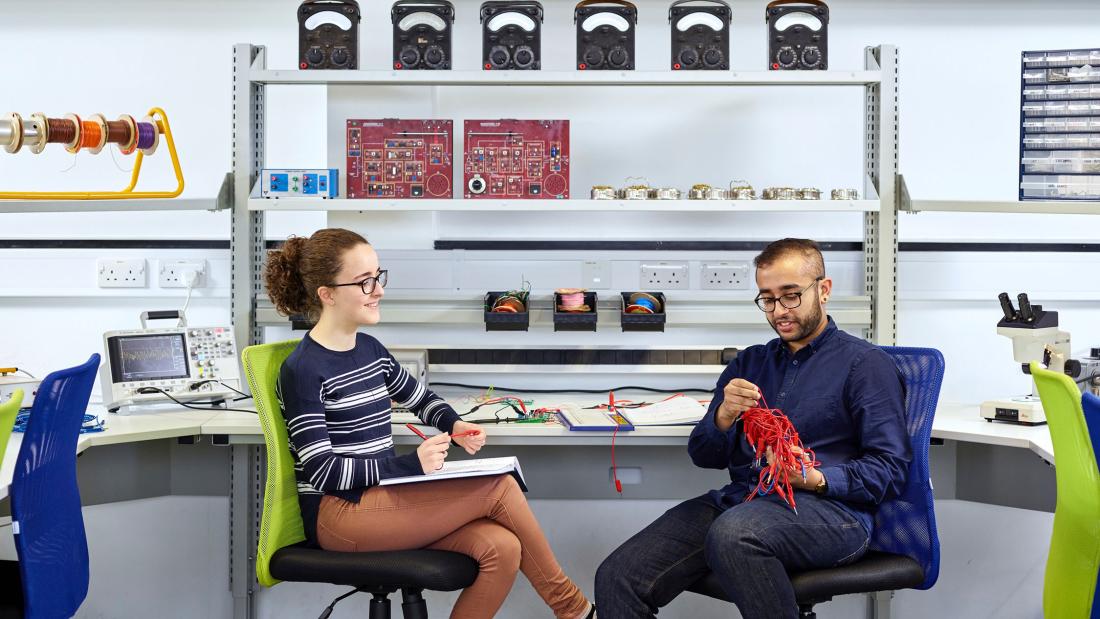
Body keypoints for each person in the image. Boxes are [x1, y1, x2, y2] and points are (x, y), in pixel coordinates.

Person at [264, 228, 594, 619]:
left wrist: (454, 425)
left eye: (378, 276)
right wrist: (409, 465)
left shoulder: (369, 349)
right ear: (327, 293)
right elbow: (323, 472)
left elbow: (419, 398)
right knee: (500, 488)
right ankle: (574, 610)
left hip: (380, 498)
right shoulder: (304, 369)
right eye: (364, 281)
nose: (379, 290)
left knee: (502, 548)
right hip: (339, 515)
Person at [595, 238, 911, 619]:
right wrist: (723, 416)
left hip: (834, 513)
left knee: (734, 535)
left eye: (791, 296)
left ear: (823, 291)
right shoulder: (749, 364)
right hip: (744, 501)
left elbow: (890, 471)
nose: (779, 311)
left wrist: (811, 478)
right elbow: (704, 455)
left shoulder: (865, 365)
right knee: (617, 577)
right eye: (768, 299)